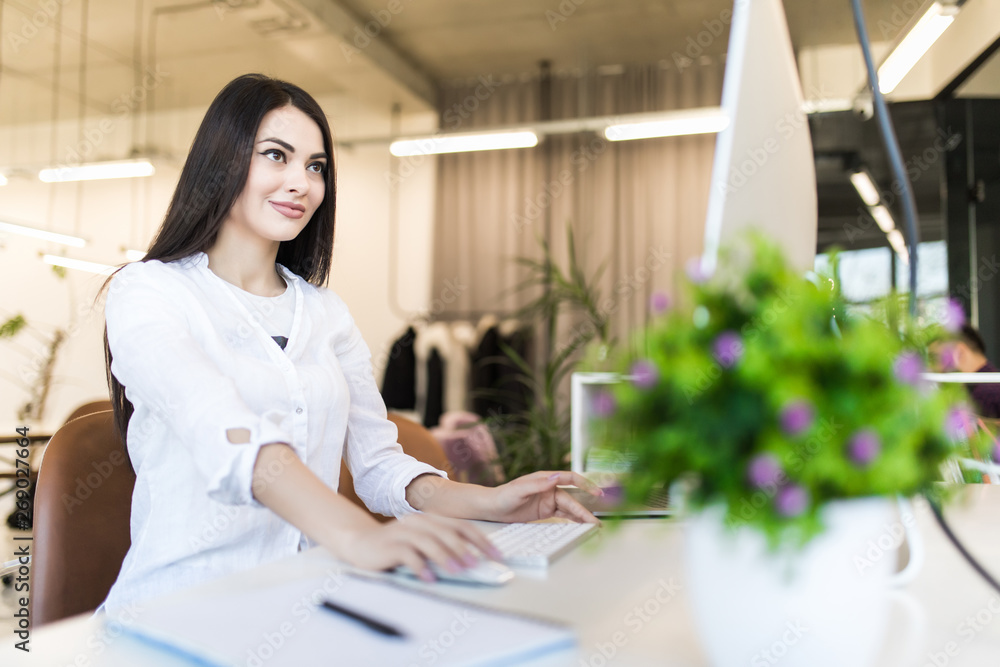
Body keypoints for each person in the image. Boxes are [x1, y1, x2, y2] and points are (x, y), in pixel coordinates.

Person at [98, 74, 599, 617]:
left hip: (304, 603)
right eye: (276, 156)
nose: (303, 183)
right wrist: (358, 536)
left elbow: (379, 465)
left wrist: (490, 502)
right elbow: (223, 430)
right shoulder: (150, 291)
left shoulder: (324, 312)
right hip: (180, 610)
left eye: (316, 167)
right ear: (222, 160)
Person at [929, 324, 1000, 418]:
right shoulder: (991, 384)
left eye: (937, 358)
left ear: (960, 352)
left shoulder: (982, 396)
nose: (934, 368)